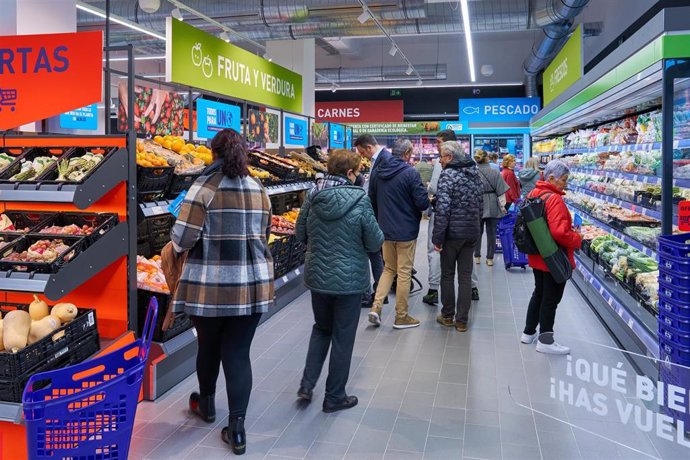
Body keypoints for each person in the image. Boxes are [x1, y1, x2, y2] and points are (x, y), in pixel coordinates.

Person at [170, 128, 273, 456]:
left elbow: (182, 238)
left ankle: (207, 405)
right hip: (253, 285)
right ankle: (238, 428)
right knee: (238, 353)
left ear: (213, 154)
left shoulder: (204, 187)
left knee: (209, 348)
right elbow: (267, 230)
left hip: (211, 287)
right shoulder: (258, 186)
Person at [295, 149, 384, 413]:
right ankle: (334, 396)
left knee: (321, 328)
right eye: (357, 171)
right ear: (349, 173)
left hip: (318, 277)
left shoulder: (313, 196)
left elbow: (300, 233)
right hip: (349, 281)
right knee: (343, 337)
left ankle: (307, 385)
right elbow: (375, 241)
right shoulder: (360, 200)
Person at [521, 159, 582, 355]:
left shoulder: (534, 193)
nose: (565, 183)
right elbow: (559, 232)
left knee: (539, 293)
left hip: (537, 255)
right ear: (552, 178)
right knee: (551, 299)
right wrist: (578, 238)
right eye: (563, 179)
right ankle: (546, 341)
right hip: (552, 257)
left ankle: (528, 333)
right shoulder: (554, 199)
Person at [368, 138, 430, 329]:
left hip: (385, 229)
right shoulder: (410, 173)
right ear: (407, 153)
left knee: (388, 269)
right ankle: (401, 316)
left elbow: (372, 199)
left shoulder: (378, 172)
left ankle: (376, 308)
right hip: (406, 231)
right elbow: (422, 203)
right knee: (403, 272)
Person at [432, 141, 483, 332]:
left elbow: (443, 209)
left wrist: (437, 238)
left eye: (442, 156)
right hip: (470, 233)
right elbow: (480, 204)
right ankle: (462, 321)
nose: (440, 160)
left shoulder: (448, 175)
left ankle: (447, 316)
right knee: (465, 277)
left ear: (450, 157)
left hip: (452, 234)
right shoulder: (474, 173)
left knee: (447, 274)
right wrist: (476, 229)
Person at [425, 130, 480, 304]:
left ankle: (434, 291)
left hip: (449, 223)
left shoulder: (444, 165)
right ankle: (473, 289)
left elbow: (436, 192)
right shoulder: (471, 163)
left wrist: (438, 237)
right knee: (466, 265)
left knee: (438, 257)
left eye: (438, 142)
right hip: (469, 223)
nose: (436, 146)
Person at [354, 134, 391, 308]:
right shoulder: (380, 159)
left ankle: (376, 293)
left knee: (374, 255)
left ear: (369, 147)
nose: (363, 156)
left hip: (375, 215)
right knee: (375, 255)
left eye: (362, 152)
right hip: (374, 215)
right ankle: (379, 293)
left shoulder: (383, 159)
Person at [474, 149, 510, 267]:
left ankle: (477, 256)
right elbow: (501, 191)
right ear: (487, 158)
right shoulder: (494, 172)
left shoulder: (473, 172)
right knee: (492, 232)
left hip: (477, 203)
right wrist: (503, 206)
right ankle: (490, 258)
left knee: (477, 232)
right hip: (493, 204)